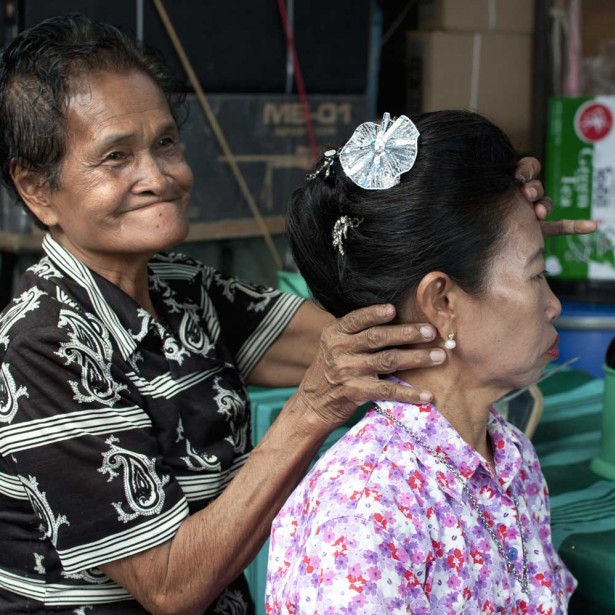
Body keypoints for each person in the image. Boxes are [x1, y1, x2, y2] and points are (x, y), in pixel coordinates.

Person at [0, 14, 590, 615]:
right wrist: (311, 407)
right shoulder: (40, 345)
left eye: (166, 143)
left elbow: (391, 332)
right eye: (115, 157)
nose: (157, 176)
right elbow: (171, 587)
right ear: (37, 190)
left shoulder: (183, 290)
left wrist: (491, 247)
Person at [266, 111, 577, 613]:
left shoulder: (512, 458)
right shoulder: (367, 511)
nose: (553, 305)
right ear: (442, 303)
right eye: (536, 275)